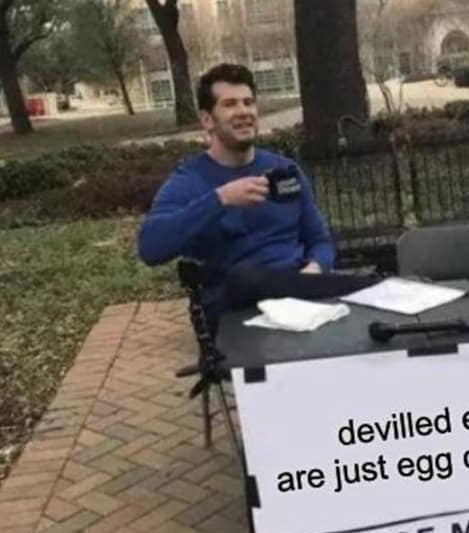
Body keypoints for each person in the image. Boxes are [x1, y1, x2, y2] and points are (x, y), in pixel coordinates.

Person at [137, 63, 373, 333]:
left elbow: (319, 240)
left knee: (363, 312)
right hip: (237, 311)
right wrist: (221, 199)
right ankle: (360, 286)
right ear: (207, 120)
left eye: (248, 102)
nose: (243, 111)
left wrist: (315, 270)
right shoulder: (189, 181)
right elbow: (150, 248)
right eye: (230, 104)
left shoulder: (285, 171)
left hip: (300, 299)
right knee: (246, 277)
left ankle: (375, 288)